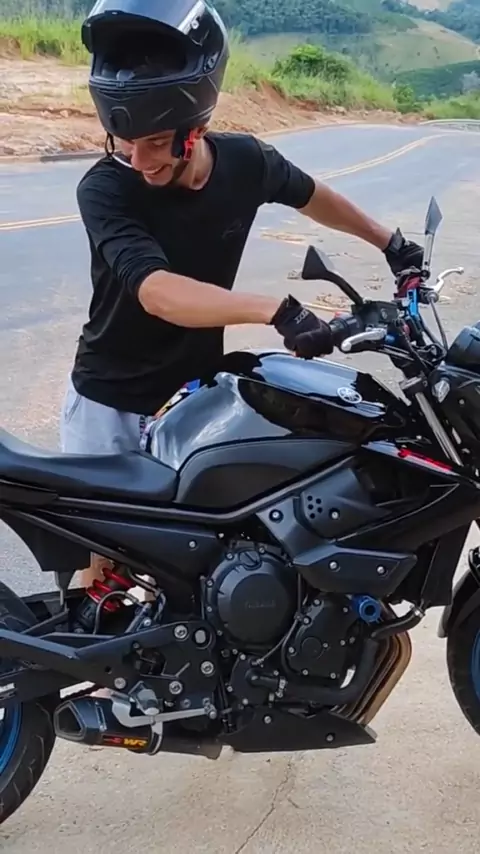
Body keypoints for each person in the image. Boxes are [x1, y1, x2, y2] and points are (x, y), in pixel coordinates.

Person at [62, 0, 424, 589]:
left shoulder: (246, 162)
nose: (139, 160)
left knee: (200, 570)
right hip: (111, 405)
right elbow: (157, 292)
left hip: (193, 402)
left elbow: (314, 195)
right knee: (102, 579)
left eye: (156, 142)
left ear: (197, 129)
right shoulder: (105, 188)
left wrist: (391, 243)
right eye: (122, 141)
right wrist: (276, 310)